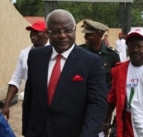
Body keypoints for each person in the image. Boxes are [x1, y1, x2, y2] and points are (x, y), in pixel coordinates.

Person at [22, 9, 107, 137]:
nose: (62, 35)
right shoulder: (35, 56)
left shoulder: (91, 62)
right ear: (48, 33)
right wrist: (26, 131)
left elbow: (97, 105)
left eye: (67, 30)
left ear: (74, 30)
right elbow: (30, 96)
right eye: (56, 31)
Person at [102, 28, 143, 137]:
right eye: (131, 46)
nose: (135, 49)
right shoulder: (118, 71)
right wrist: (105, 121)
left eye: (140, 46)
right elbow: (112, 98)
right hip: (127, 122)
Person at [2, 21, 49, 119]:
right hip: (30, 102)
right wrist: (6, 104)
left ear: (47, 34)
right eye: (31, 31)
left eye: (37, 32)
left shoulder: (54, 52)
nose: (33, 34)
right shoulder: (24, 53)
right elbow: (16, 79)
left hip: (50, 102)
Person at [79, 19, 120, 91]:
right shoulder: (80, 52)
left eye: (89, 34)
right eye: (85, 34)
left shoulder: (112, 55)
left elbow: (116, 81)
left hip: (104, 97)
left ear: (99, 35)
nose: (85, 37)